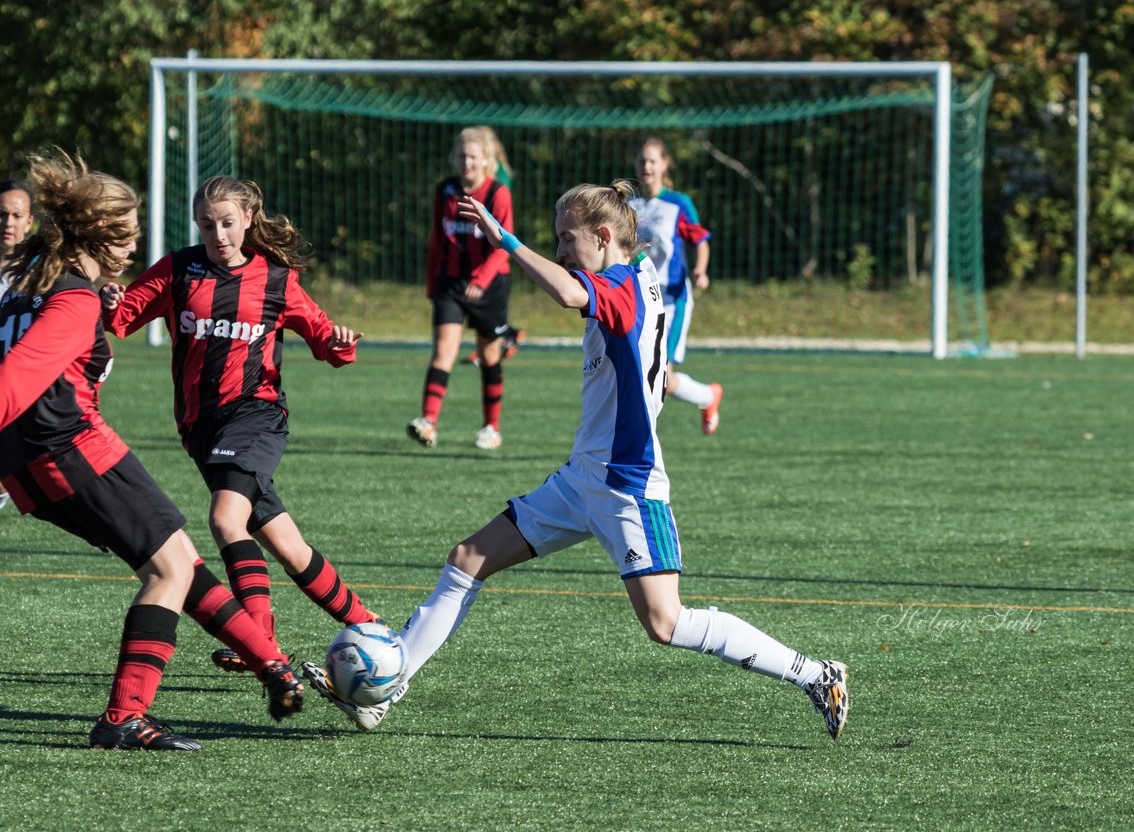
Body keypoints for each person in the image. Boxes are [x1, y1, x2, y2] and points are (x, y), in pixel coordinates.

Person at [303, 181, 849, 741]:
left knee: (666, 622)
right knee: (468, 558)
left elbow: (568, 293)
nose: (561, 250)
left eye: (568, 238)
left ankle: (815, 673)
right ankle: (386, 692)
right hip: (579, 478)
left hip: (627, 488)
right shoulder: (631, 276)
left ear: (604, 237)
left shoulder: (623, 290)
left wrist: (505, 240)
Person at [0, 150, 303, 751]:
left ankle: (273, 664)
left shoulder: (30, 274)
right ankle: (124, 716)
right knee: (169, 568)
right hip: (72, 447)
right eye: (131, 231)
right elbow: (14, 383)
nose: (136, 245)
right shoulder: (74, 298)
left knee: (175, 559)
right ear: (106, 233)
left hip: (27, 463)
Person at [101, 174, 380, 674]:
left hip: (256, 415)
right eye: (207, 225)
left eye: (228, 223)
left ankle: (258, 638)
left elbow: (322, 337)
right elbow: (122, 318)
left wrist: (338, 341)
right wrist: (109, 298)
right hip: (200, 429)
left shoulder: (275, 278)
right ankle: (372, 625)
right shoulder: (179, 270)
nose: (219, 235)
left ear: (248, 219)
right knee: (287, 546)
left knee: (225, 520)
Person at [407, 126, 516, 451]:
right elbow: (437, 240)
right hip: (450, 285)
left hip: (490, 285)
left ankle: (491, 427)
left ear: (486, 159)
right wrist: (432, 283)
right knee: (443, 350)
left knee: (489, 354)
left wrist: (481, 280)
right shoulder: (445, 191)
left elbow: (504, 244)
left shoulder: (498, 193)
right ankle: (428, 422)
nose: (467, 162)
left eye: (473, 156)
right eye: (462, 156)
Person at [630, 136, 723, 434]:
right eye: (642, 160)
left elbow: (700, 240)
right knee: (638, 369)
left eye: (653, 160)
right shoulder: (628, 204)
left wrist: (700, 270)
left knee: (662, 375)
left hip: (672, 300)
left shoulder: (678, 204)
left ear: (665, 165)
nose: (647, 166)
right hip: (638, 297)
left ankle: (708, 396)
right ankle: (707, 396)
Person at [467, 126, 525, 367]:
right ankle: (496, 339)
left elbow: (499, 211)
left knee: (491, 305)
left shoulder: (496, 176)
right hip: (481, 246)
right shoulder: (495, 169)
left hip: (492, 245)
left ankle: (503, 338)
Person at [0, 178, 34, 513]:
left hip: (20, 398)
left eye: (15, 215)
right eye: (1, 214)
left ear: (29, 221)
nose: (7, 223)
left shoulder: (44, 275)